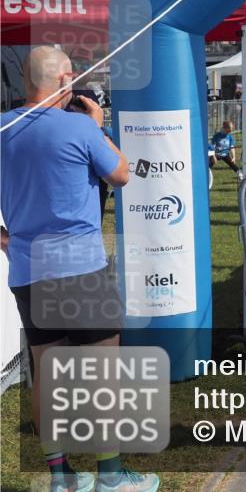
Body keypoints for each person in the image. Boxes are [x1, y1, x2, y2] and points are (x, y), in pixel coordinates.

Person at [1, 47, 159, 492]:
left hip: (28, 270)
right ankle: (111, 476)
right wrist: (97, 125)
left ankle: (61, 477)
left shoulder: (2, 128)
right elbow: (122, 174)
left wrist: (5, 238)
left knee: (46, 374)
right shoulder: (78, 127)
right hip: (81, 269)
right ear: (66, 79)